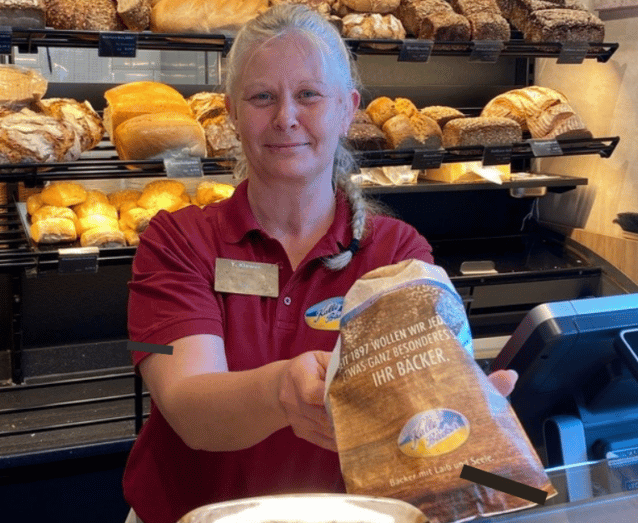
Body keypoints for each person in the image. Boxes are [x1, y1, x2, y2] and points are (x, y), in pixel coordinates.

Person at [122, 5, 517, 523]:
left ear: (347, 109)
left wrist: (461, 412)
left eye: (308, 94)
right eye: (262, 97)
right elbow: (188, 410)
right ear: (232, 113)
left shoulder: (397, 254)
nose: (286, 117)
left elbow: (420, 425)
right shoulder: (176, 242)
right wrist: (280, 391)